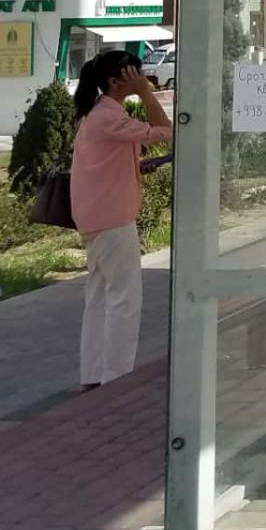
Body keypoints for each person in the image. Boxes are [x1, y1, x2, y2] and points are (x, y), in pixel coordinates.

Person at [70, 48, 171, 390]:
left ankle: (94, 374)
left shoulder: (97, 113)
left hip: (96, 215)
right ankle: (117, 376)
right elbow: (165, 130)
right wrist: (146, 94)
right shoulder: (108, 117)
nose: (143, 79)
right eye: (136, 75)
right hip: (113, 217)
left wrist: (133, 166)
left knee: (100, 295)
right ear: (116, 82)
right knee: (124, 297)